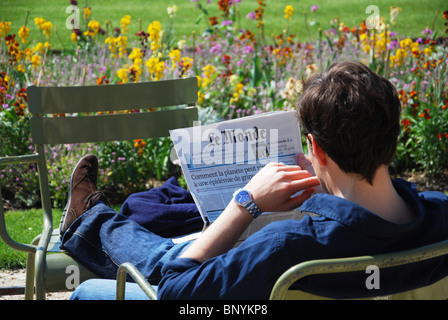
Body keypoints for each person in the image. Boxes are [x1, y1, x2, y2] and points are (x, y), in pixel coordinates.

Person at [63, 61, 448, 300]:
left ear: (315, 148)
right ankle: (89, 221)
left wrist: (245, 203)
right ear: (394, 137)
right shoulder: (441, 217)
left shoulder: (286, 246)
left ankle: (88, 224)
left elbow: (176, 291)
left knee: (86, 291)